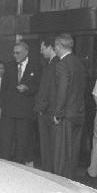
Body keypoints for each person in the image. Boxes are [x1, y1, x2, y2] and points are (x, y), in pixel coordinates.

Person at [51, 34, 87, 178]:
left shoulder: (62, 64)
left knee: (61, 155)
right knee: (73, 154)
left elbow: (63, 90)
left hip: (66, 115)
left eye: (55, 47)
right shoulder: (79, 63)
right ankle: (70, 181)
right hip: (78, 113)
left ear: (59, 46)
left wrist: (57, 114)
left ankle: (60, 185)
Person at [0, 41, 41, 163]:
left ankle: (19, 166)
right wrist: (2, 107)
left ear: (26, 52)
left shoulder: (36, 66)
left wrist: (28, 89)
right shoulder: (9, 66)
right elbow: (4, 89)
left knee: (22, 142)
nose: (15, 55)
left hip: (25, 112)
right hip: (9, 112)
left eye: (18, 53)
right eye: (14, 53)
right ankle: (5, 166)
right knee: (6, 142)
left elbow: (39, 87)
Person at [33, 37, 58, 172]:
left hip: (48, 113)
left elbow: (48, 90)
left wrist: (41, 109)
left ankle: (49, 173)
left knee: (47, 148)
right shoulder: (53, 64)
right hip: (50, 111)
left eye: (43, 49)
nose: (41, 52)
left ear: (51, 47)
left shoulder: (53, 65)